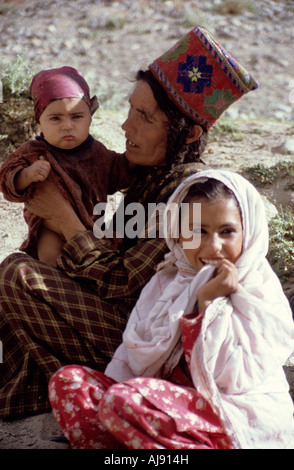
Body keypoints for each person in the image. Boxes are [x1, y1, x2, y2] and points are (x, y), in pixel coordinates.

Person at [0, 25, 258, 419]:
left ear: (187, 133)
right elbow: (109, 245)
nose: (125, 127)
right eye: (129, 110)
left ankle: (90, 388)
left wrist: (67, 223)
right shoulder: (149, 177)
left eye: (144, 118)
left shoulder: (190, 198)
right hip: (121, 321)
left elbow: (121, 284)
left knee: (17, 275)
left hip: (146, 340)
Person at [49, 169, 294, 449]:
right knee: (70, 382)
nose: (213, 246)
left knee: (124, 401)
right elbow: (133, 359)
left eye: (227, 232)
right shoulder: (168, 281)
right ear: (177, 234)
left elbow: (229, 378)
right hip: (162, 406)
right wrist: (109, 401)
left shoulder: (258, 291)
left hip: (227, 416)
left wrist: (208, 303)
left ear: (248, 232)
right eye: (196, 231)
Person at [0, 66, 133, 266]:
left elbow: (118, 171)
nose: (67, 126)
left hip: (90, 229)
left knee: (91, 261)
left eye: (76, 117)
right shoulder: (34, 152)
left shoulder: (97, 153)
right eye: (55, 118)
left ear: (90, 116)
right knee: (49, 259)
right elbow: (7, 179)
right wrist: (26, 175)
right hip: (50, 228)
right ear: (39, 121)